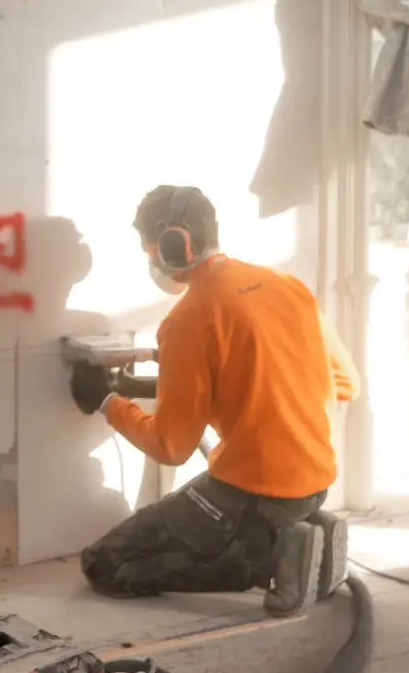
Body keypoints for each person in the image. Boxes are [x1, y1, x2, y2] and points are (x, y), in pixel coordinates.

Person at [68, 186, 360, 618]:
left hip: (251, 494)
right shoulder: (286, 286)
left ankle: (270, 558)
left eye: (148, 248)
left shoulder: (190, 317)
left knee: (105, 564)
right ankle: (303, 528)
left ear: (170, 244)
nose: (150, 259)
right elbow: (344, 382)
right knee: (200, 522)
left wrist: (107, 401)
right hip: (314, 482)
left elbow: (171, 447)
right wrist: (141, 389)